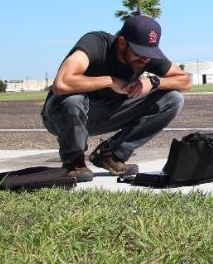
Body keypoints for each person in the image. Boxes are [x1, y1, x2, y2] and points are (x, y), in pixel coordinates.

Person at [42, 15, 191, 182]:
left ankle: (110, 155)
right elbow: (61, 84)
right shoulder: (95, 43)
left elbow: (185, 80)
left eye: (149, 54)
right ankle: (74, 163)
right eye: (139, 53)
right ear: (121, 42)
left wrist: (153, 81)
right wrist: (110, 81)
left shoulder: (146, 55)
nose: (144, 59)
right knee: (73, 100)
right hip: (62, 115)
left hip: (108, 113)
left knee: (173, 98)